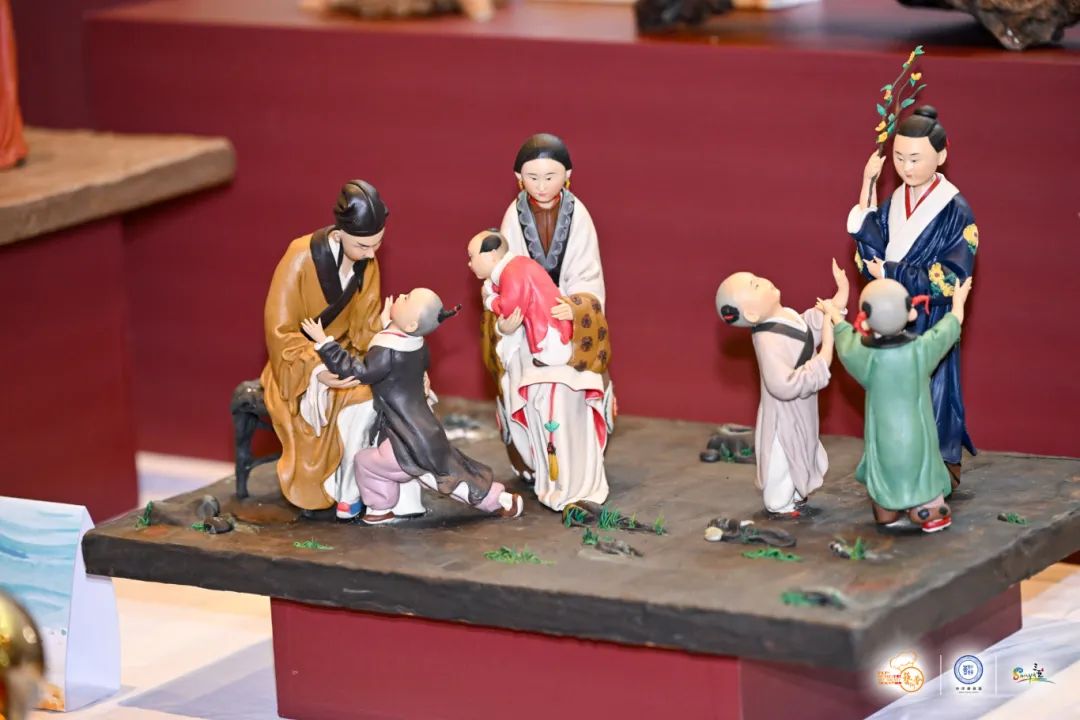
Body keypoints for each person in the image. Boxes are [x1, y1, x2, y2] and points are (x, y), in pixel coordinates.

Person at [260, 180, 423, 519]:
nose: (372, 254)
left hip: (346, 353)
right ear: (338, 234)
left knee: (382, 396)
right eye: (363, 245)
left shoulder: (367, 261)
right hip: (300, 362)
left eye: (377, 244)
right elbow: (280, 330)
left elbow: (364, 327)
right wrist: (318, 371)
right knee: (357, 405)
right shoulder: (299, 257)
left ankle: (361, 486)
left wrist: (389, 342)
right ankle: (340, 488)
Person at [301, 290, 524, 524]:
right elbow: (397, 356)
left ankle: (380, 508)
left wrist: (325, 342)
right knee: (449, 471)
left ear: (411, 324)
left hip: (404, 437)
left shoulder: (386, 351)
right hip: (422, 427)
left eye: (407, 299)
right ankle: (499, 498)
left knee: (371, 463)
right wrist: (388, 324)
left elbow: (358, 371)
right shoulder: (418, 346)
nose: (402, 295)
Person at [482, 133, 614, 512]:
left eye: (550, 176)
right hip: (526, 325)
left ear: (568, 175)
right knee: (523, 384)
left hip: (567, 324)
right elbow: (501, 274)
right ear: (518, 178)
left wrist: (575, 307)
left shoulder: (579, 216)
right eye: (533, 177)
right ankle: (537, 462)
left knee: (573, 387)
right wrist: (511, 320)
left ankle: (577, 471)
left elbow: (588, 273)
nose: (541, 186)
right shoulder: (513, 217)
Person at [848, 105, 978, 487]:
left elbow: (952, 278)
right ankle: (890, 466)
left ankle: (937, 468)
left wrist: (891, 272)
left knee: (932, 394)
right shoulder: (895, 201)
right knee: (889, 399)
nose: (906, 167)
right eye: (899, 157)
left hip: (930, 318)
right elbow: (871, 250)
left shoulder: (955, 211)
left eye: (916, 158)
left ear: (942, 155)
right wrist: (867, 184)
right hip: (891, 316)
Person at [821, 275, 974, 533]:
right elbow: (949, 327)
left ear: (865, 320)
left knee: (884, 468)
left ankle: (886, 508)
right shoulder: (920, 350)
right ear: (911, 312)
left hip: (883, 437)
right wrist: (958, 301)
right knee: (921, 467)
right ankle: (928, 508)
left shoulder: (864, 355)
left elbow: (846, 342)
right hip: (917, 435)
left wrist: (835, 315)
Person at [715, 260, 846, 517]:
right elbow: (781, 385)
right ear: (752, 315)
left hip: (803, 407)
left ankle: (796, 495)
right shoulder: (767, 340)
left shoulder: (787, 316)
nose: (763, 281)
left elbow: (811, 327)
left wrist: (841, 291)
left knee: (804, 446)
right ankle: (779, 502)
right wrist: (827, 348)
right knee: (783, 452)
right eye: (755, 285)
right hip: (784, 413)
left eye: (757, 277)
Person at [467, 229, 573, 367]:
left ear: (491, 255)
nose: (469, 263)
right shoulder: (516, 265)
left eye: (472, 257)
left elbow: (509, 311)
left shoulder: (513, 272)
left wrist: (489, 300)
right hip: (546, 334)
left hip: (549, 342)